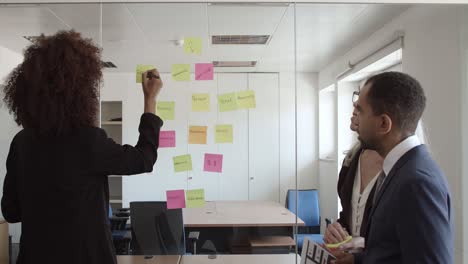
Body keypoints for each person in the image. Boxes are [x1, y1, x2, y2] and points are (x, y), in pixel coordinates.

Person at [1, 30, 163, 264]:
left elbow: (11, 212)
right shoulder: (88, 140)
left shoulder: (22, 142)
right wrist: (150, 100)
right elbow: (144, 159)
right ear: (81, 91)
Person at [332, 72, 453, 263]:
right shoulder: (399, 169)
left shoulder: (417, 181)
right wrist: (358, 261)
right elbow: (392, 250)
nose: (355, 119)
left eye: (361, 111)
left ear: (383, 123)